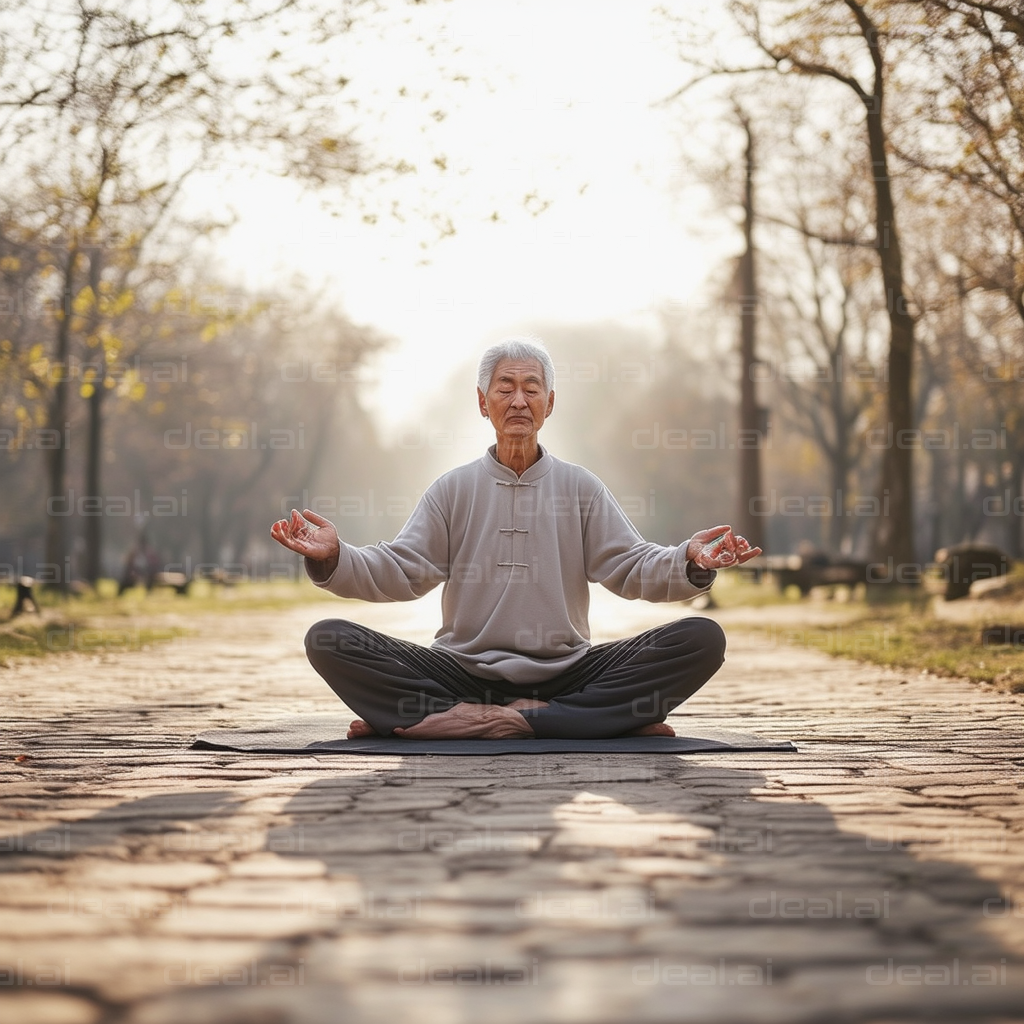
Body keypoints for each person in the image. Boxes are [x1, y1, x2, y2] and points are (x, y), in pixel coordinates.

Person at [271, 337, 761, 740]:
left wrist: (690, 561)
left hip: (566, 671)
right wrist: (335, 556)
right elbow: (401, 569)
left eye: (532, 388)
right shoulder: (453, 488)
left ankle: (447, 719)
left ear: (550, 403)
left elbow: (632, 566)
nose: (520, 400)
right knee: (329, 638)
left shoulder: (579, 486)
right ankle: (582, 720)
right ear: (483, 403)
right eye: (505, 388)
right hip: (459, 671)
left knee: (701, 638)